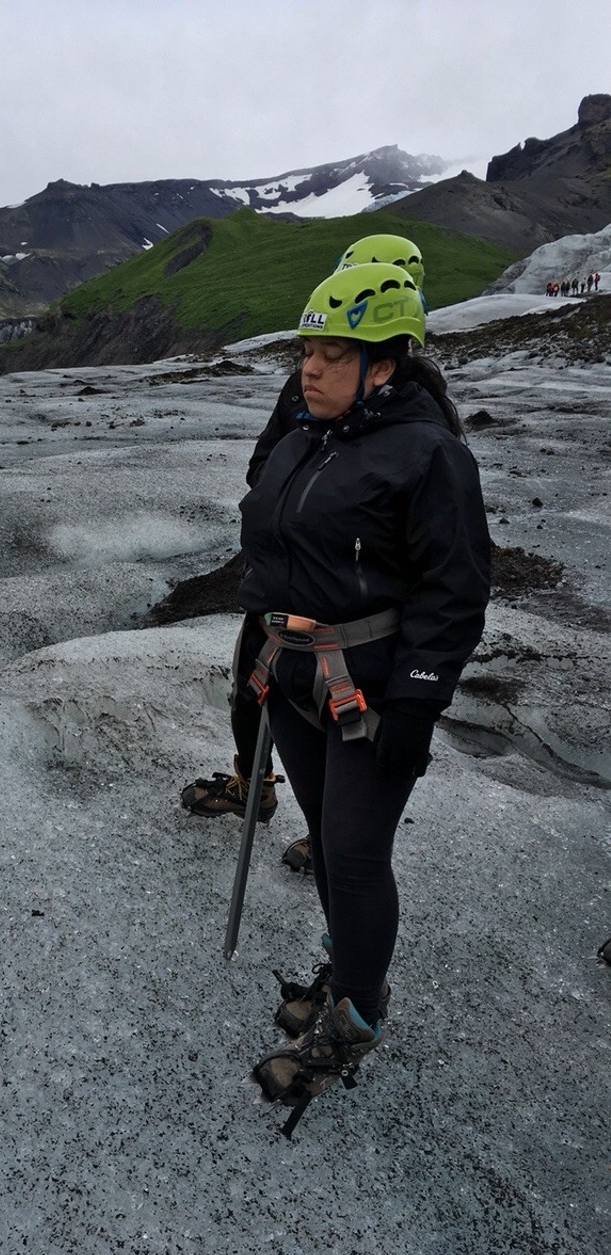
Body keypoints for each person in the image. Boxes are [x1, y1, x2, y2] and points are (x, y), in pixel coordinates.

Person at [238, 262, 490, 1103]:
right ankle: (348, 972)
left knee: (350, 858)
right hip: (298, 675)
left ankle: (358, 1017)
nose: (308, 368)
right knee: (328, 836)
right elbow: (273, 541)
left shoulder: (427, 455)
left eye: (333, 354)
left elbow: (453, 588)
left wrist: (418, 698)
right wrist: (262, 636)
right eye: (308, 350)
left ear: (384, 365)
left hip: (371, 692)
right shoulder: (310, 434)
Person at [181, 234, 428, 874]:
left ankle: (341, 838)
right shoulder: (308, 383)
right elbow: (266, 461)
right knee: (250, 689)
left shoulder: (416, 409)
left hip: (353, 605)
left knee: (349, 744)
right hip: (282, 578)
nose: (314, 367)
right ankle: (255, 783)